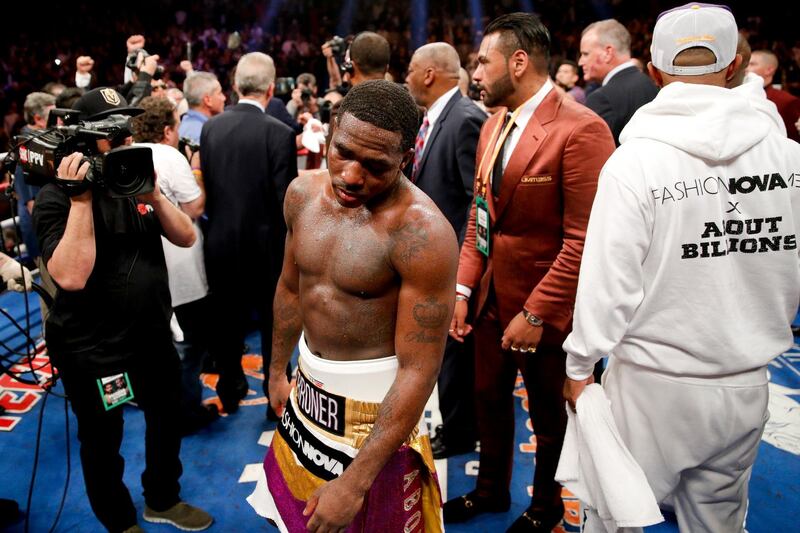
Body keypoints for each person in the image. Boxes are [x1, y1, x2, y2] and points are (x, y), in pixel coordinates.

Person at [562, 4, 800, 532]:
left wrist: (579, 366)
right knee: (718, 521)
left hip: (651, 385)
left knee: (613, 519)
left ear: (653, 70)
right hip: (746, 383)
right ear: (737, 65)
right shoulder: (790, 160)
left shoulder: (635, 163)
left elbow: (609, 284)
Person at [246, 79, 458, 532]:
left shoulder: (422, 234)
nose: (351, 175)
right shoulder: (302, 195)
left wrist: (357, 481)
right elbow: (289, 287)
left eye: (375, 165)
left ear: (406, 159)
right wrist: (276, 369)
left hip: (376, 406)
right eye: (343, 152)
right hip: (306, 386)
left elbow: (420, 368)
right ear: (332, 128)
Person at [443, 12, 615, 532]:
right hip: (489, 304)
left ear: (518, 63)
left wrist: (537, 314)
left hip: (549, 314)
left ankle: (544, 510)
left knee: (549, 419)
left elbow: (585, 241)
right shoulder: (493, 123)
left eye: (482, 61)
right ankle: (491, 492)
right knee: (488, 404)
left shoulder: (583, 128)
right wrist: (462, 288)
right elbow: (480, 218)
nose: (474, 72)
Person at [32, 87, 212, 532]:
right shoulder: (57, 198)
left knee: (165, 422)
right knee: (101, 440)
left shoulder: (132, 183)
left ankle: (163, 500)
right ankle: (118, 519)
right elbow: (70, 276)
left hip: (150, 336)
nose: (127, 140)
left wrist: (151, 190)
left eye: (127, 130)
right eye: (115, 134)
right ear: (85, 139)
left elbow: (186, 237)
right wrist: (81, 200)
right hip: (92, 348)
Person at [200, 53, 297, 416]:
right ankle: (277, 400)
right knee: (276, 325)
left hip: (220, 240)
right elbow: (285, 201)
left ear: (236, 86)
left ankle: (230, 388)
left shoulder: (211, 129)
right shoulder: (280, 133)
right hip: (268, 247)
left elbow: (210, 185)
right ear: (271, 89)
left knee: (225, 319)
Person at [405, 41, 487, 458]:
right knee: (446, 350)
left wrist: (465, 273)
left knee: (456, 352)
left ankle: (460, 432)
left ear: (429, 74)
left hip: (457, 260)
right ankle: (459, 426)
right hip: (438, 257)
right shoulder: (441, 117)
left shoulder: (466, 118)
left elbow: (480, 201)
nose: (406, 77)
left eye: (410, 69)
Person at [132, 96, 220, 435]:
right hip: (180, 267)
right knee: (189, 345)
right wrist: (198, 169)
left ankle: (160, 405)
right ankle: (184, 411)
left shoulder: (123, 157)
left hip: (144, 269)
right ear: (168, 129)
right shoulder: (169, 156)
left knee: (156, 344)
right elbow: (194, 207)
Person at [579, 19, 659, 145]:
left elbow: (591, 155)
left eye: (585, 54)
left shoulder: (601, 99)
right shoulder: (649, 84)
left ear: (608, 53)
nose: (580, 62)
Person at [747, 49, 800, 143]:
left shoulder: (786, 101)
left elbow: (794, 140)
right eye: (746, 64)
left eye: (752, 64)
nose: (746, 68)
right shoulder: (739, 94)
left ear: (769, 70)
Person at [179, 72, 226, 145]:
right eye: (219, 93)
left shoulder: (190, 125)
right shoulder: (200, 133)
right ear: (207, 100)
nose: (224, 98)